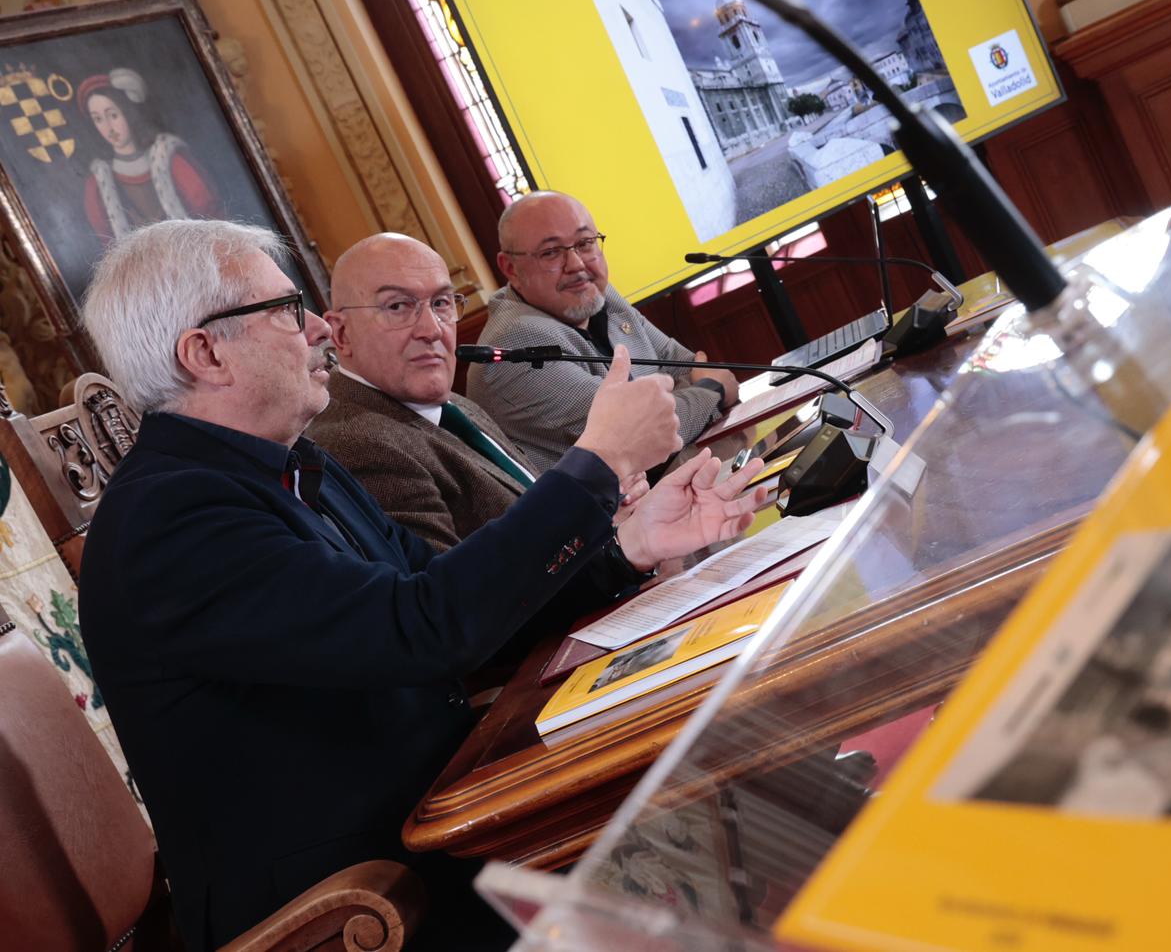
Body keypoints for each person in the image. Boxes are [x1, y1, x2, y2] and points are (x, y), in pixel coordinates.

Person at [75, 220, 752, 951]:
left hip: (442, 819)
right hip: (358, 906)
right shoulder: (169, 519)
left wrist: (629, 545)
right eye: (287, 310)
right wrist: (596, 461)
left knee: (726, 779)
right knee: (723, 817)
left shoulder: (287, 464)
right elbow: (423, 630)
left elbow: (442, 593)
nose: (316, 329)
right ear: (205, 353)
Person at [310, 231, 760, 568]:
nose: (432, 329)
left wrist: (610, 513)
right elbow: (460, 604)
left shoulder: (455, 407)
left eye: (442, 303)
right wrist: (604, 525)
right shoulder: (358, 442)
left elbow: (534, 517)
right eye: (397, 307)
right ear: (341, 334)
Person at [467, 190, 741, 473]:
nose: (576, 264)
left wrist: (685, 398)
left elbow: (685, 364)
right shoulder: (513, 345)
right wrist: (712, 389)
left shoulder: (597, 294)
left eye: (585, 243)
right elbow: (646, 430)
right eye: (550, 253)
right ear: (511, 269)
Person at [78, 67, 224, 242]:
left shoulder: (169, 160)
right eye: (98, 119)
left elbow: (211, 216)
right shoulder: (97, 184)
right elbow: (106, 242)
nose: (108, 128)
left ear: (128, 112)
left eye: (113, 115)